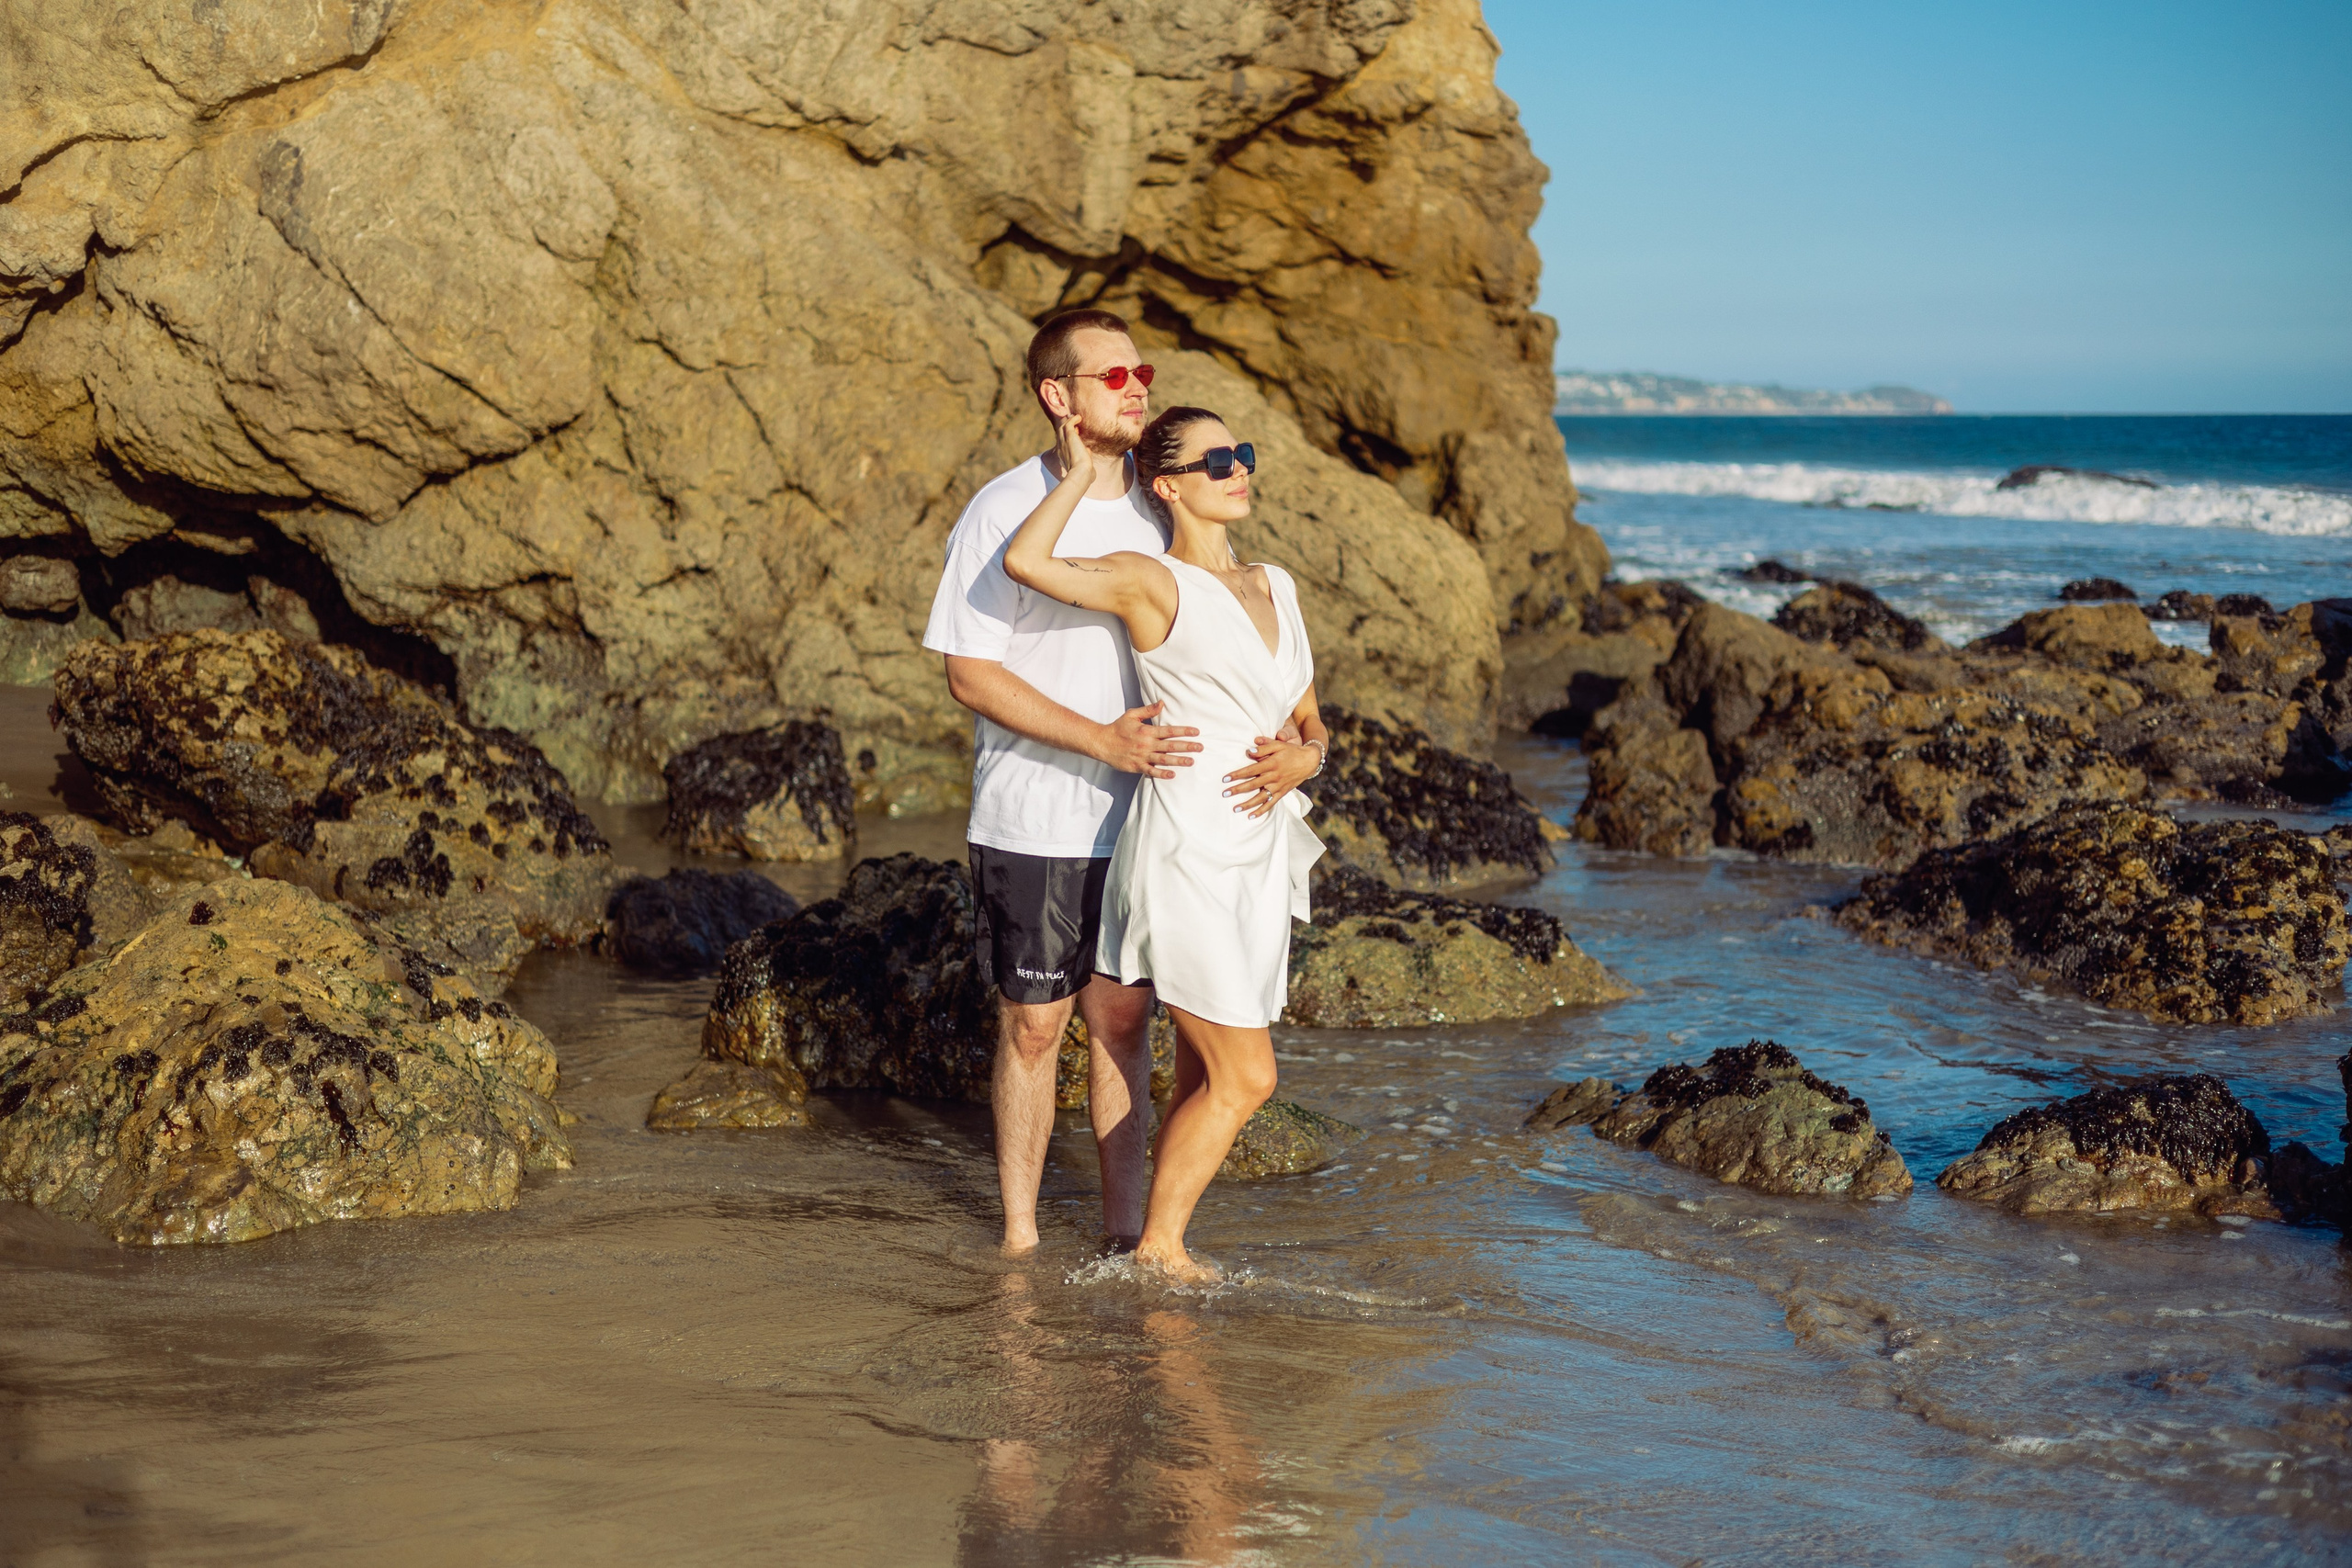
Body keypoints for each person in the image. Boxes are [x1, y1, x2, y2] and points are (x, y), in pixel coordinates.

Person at [1002, 403, 1330, 1283]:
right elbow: (1025, 562)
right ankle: (1158, 1250)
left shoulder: (1277, 584)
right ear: (1167, 484)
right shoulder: (1151, 581)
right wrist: (1076, 469)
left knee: (1202, 1073)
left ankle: (1157, 1245)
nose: (1238, 469)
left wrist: (1307, 757)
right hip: (1184, 846)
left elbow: (1309, 718)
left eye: (1244, 454)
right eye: (1216, 459)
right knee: (1248, 1076)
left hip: (1259, 854)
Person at [922, 310, 1204, 1255]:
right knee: (1036, 1029)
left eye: (1142, 374)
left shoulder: (1167, 511)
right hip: (1034, 813)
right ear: (1059, 396)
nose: (1137, 389)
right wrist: (1098, 740)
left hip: (1148, 817)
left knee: (1123, 1027)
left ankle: (1128, 1242)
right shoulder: (1002, 509)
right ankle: (1018, 1240)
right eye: (1114, 376)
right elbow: (971, 671)